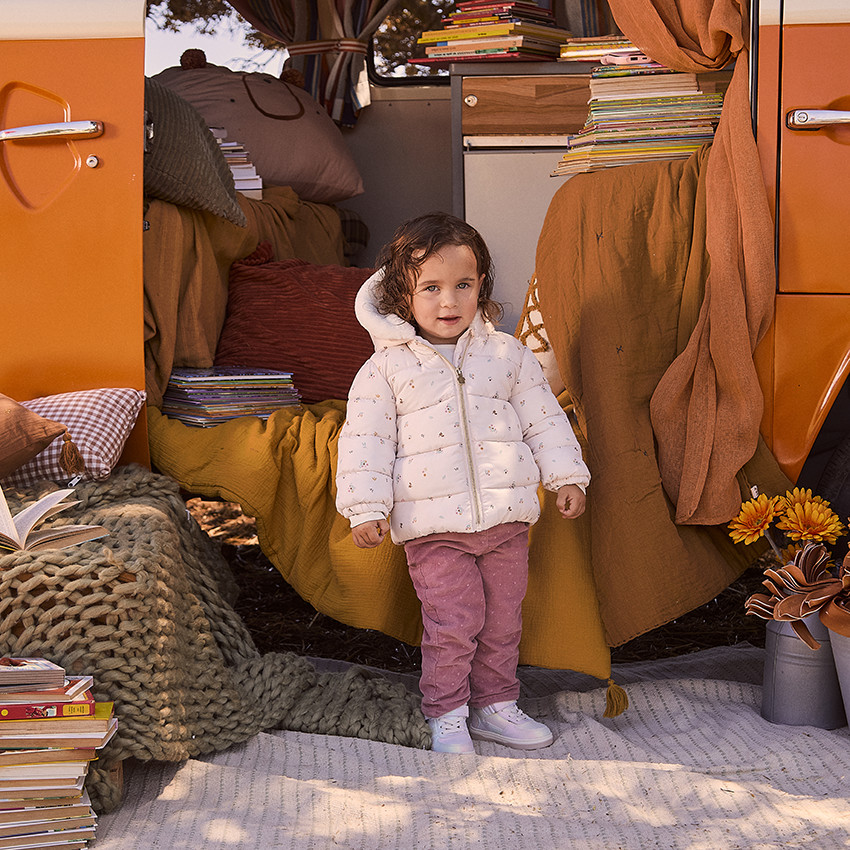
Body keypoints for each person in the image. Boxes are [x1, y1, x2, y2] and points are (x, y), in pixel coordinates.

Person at [335, 212, 590, 754]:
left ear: (482, 288)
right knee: (454, 622)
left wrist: (566, 475)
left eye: (463, 286)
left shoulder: (507, 355)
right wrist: (365, 507)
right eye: (431, 288)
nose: (448, 301)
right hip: (434, 529)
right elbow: (365, 443)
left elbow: (544, 418)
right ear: (402, 296)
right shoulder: (385, 370)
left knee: (501, 622)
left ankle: (497, 706)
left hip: (505, 521)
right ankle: (447, 713)